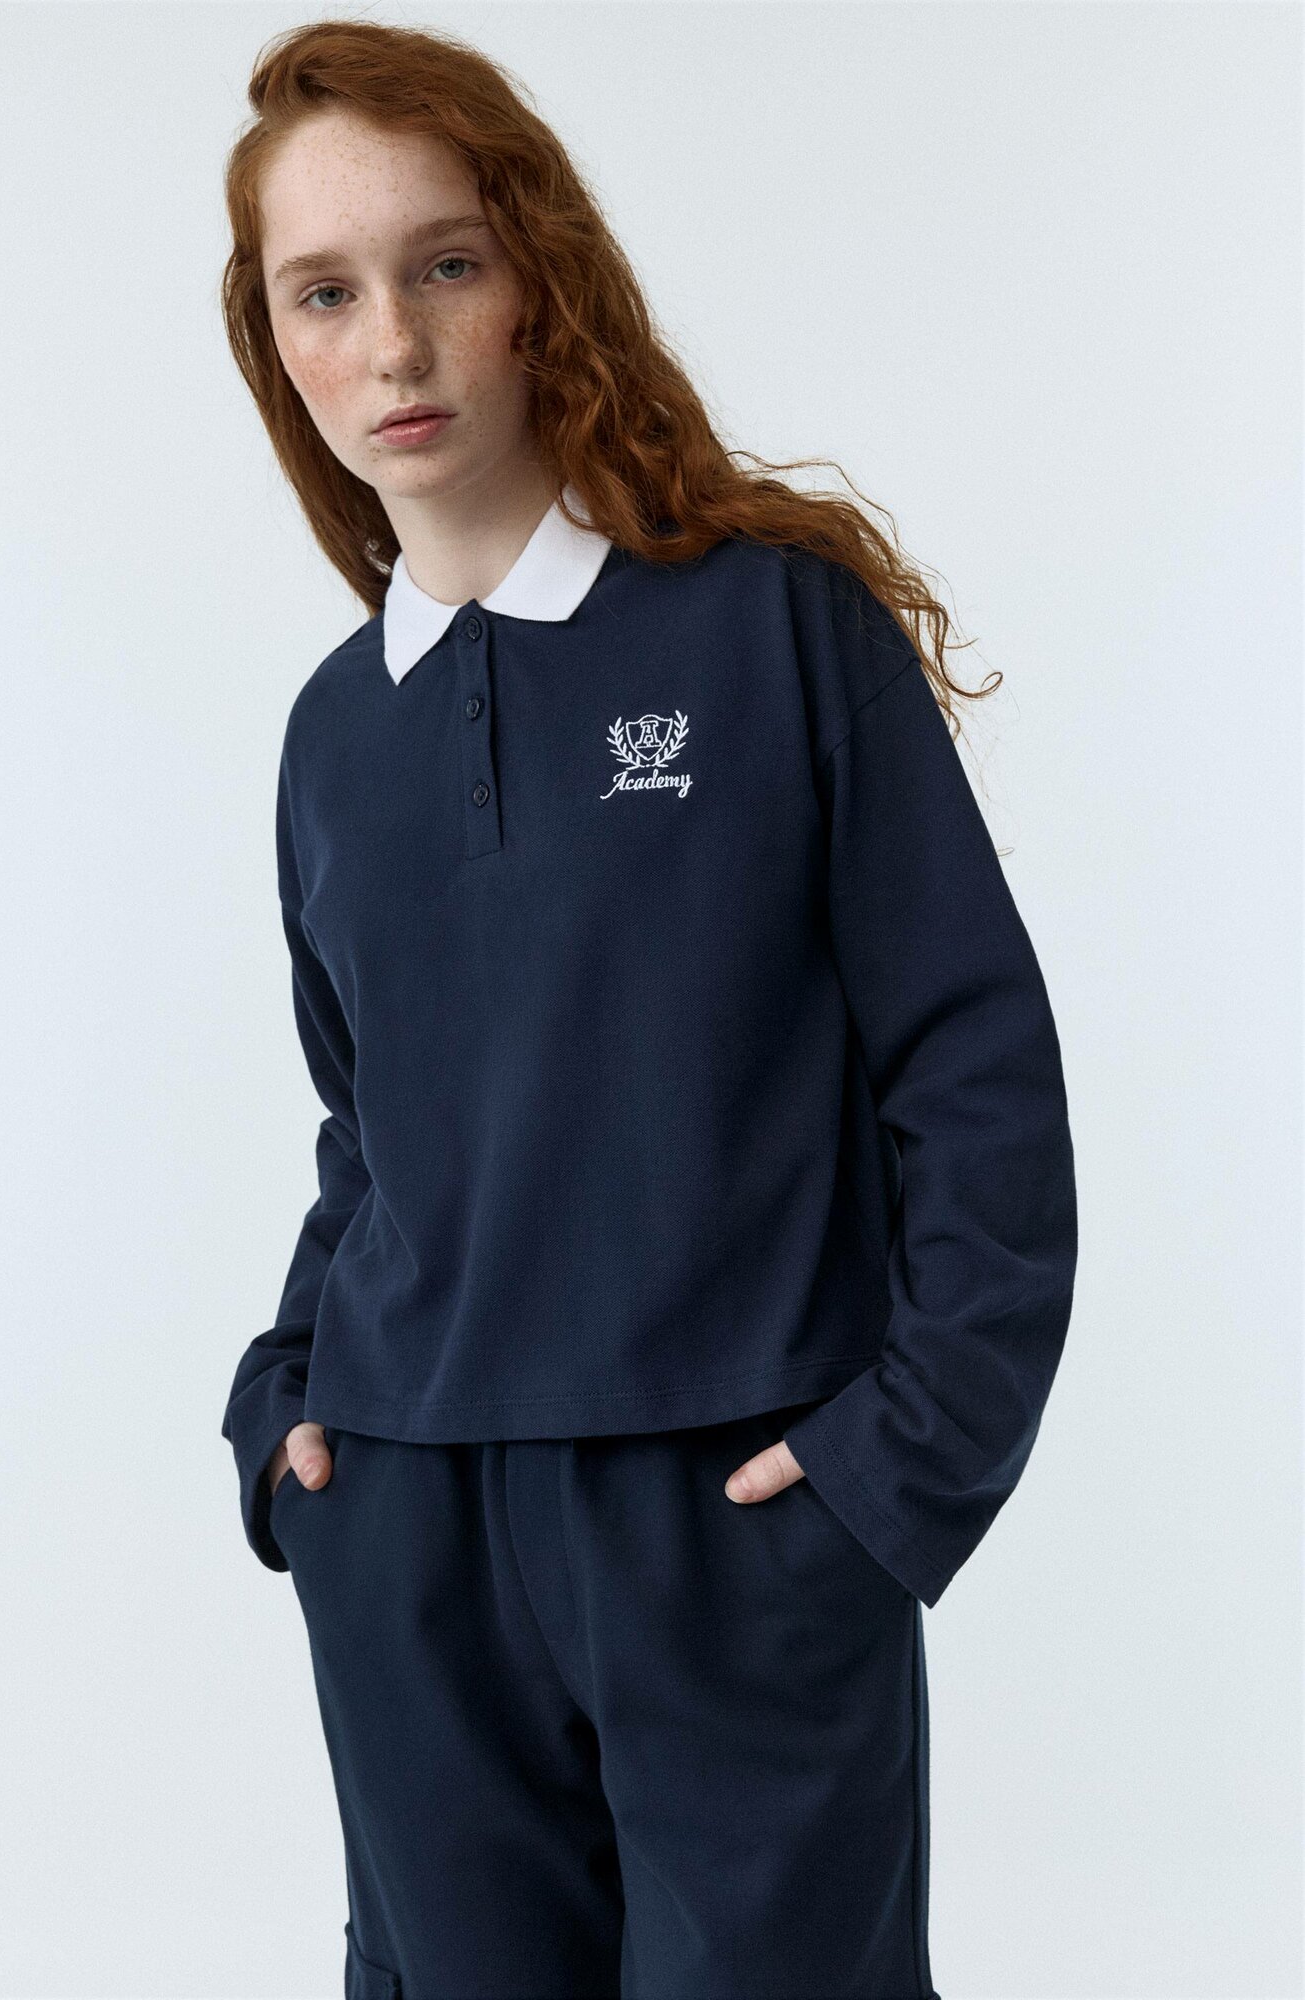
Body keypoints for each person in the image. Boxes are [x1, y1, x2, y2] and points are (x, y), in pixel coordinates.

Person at [218, 19, 1078, 2000]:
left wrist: (892, 1474)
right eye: (324, 293)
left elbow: (972, 1072)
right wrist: (289, 1419)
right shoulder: (333, 738)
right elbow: (372, 1135)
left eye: (446, 263)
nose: (396, 344)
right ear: (277, 346)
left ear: (538, 276)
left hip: (736, 1522)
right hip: (409, 1532)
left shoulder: (773, 624)